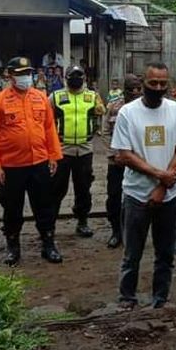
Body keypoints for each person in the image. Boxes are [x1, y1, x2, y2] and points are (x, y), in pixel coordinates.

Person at [111, 62, 176, 309]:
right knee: (131, 254)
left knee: (165, 254)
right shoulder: (127, 113)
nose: (158, 87)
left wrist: (163, 186)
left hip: (170, 196)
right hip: (136, 195)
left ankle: (160, 298)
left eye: (162, 83)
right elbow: (124, 155)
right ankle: (127, 297)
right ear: (142, 83)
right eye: (153, 83)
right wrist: (160, 176)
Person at [0, 57, 63, 266]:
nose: (26, 77)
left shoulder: (41, 98)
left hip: (39, 163)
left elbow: (49, 128)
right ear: (10, 75)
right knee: (12, 208)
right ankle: (13, 247)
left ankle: (48, 244)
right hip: (11, 166)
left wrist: (54, 156)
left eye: (28, 73)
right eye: (20, 74)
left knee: (45, 206)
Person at [49, 66, 106, 238]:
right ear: (66, 78)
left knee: (83, 188)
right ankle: (49, 224)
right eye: (72, 76)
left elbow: (101, 113)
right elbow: (47, 122)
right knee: (56, 188)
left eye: (79, 76)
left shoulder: (92, 96)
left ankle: (82, 221)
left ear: (84, 78)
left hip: (85, 150)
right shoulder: (55, 97)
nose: (76, 79)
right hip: (62, 150)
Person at [103, 74, 142, 248]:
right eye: (130, 89)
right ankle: (116, 231)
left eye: (137, 89)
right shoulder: (113, 106)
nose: (134, 92)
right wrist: (114, 154)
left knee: (138, 198)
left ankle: (134, 232)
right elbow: (105, 132)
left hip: (139, 163)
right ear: (123, 89)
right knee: (114, 197)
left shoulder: (146, 107)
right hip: (117, 162)